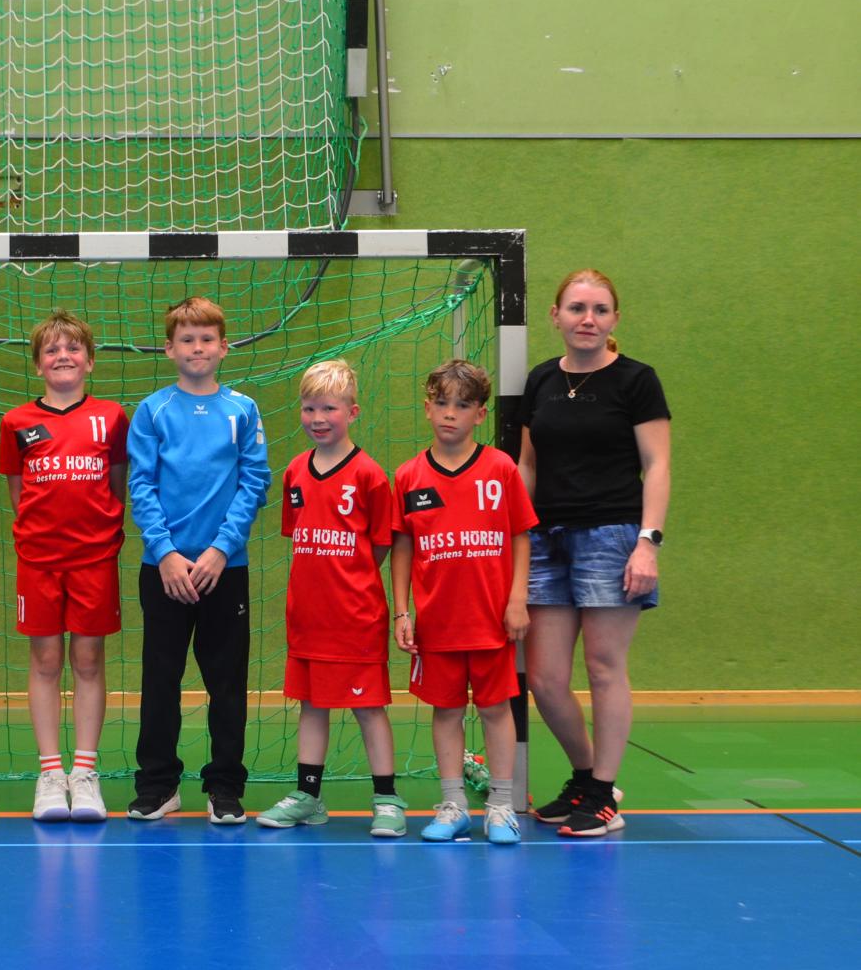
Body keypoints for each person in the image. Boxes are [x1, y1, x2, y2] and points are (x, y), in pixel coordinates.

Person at [520, 270, 670, 836]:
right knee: (544, 678)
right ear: (556, 315)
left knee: (604, 668)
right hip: (545, 540)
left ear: (614, 320)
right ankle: (586, 777)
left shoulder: (636, 380)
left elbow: (657, 464)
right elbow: (527, 465)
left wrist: (647, 543)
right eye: (578, 308)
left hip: (612, 537)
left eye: (600, 310)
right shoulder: (541, 380)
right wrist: (515, 536)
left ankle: (604, 794)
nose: (589, 319)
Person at [126, 297, 270, 823]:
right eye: (186, 339)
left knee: (226, 682)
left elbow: (255, 482)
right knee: (160, 680)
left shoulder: (242, 410)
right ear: (169, 349)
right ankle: (158, 784)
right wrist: (165, 553)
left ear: (224, 347)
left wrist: (220, 549)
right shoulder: (153, 411)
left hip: (223, 571)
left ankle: (225, 786)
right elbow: (141, 485)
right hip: (164, 571)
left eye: (207, 338)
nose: (197, 347)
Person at [256, 360, 405, 837]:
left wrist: (352, 579)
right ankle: (308, 797)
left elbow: (379, 544)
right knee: (311, 705)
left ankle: (387, 799)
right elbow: (299, 536)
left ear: (352, 412)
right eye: (309, 408)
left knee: (368, 707)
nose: (317, 418)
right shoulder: (295, 472)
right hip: (307, 615)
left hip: (356, 616)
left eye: (329, 409)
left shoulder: (369, 475)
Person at [391, 360, 538, 844]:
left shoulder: (500, 469)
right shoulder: (409, 476)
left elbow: (520, 535)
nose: (450, 413)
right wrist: (402, 611)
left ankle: (500, 805)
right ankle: (453, 803)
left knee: (496, 709)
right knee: (447, 711)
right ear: (427, 408)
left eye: (462, 405)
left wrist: (518, 599)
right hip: (437, 623)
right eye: (441, 403)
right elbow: (403, 547)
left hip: (491, 619)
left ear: (480, 414)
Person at [0, 311, 130, 822]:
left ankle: (85, 772)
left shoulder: (111, 417)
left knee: (90, 660)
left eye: (73, 348)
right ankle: (51, 774)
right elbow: (18, 492)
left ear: (90, 361)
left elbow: (115, 484)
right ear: (38, 365)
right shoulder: (17, 423)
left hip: (94, 558)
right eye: (52, 350)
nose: (63, 357)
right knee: (46, 660)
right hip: (39, 560)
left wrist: (100, 534)